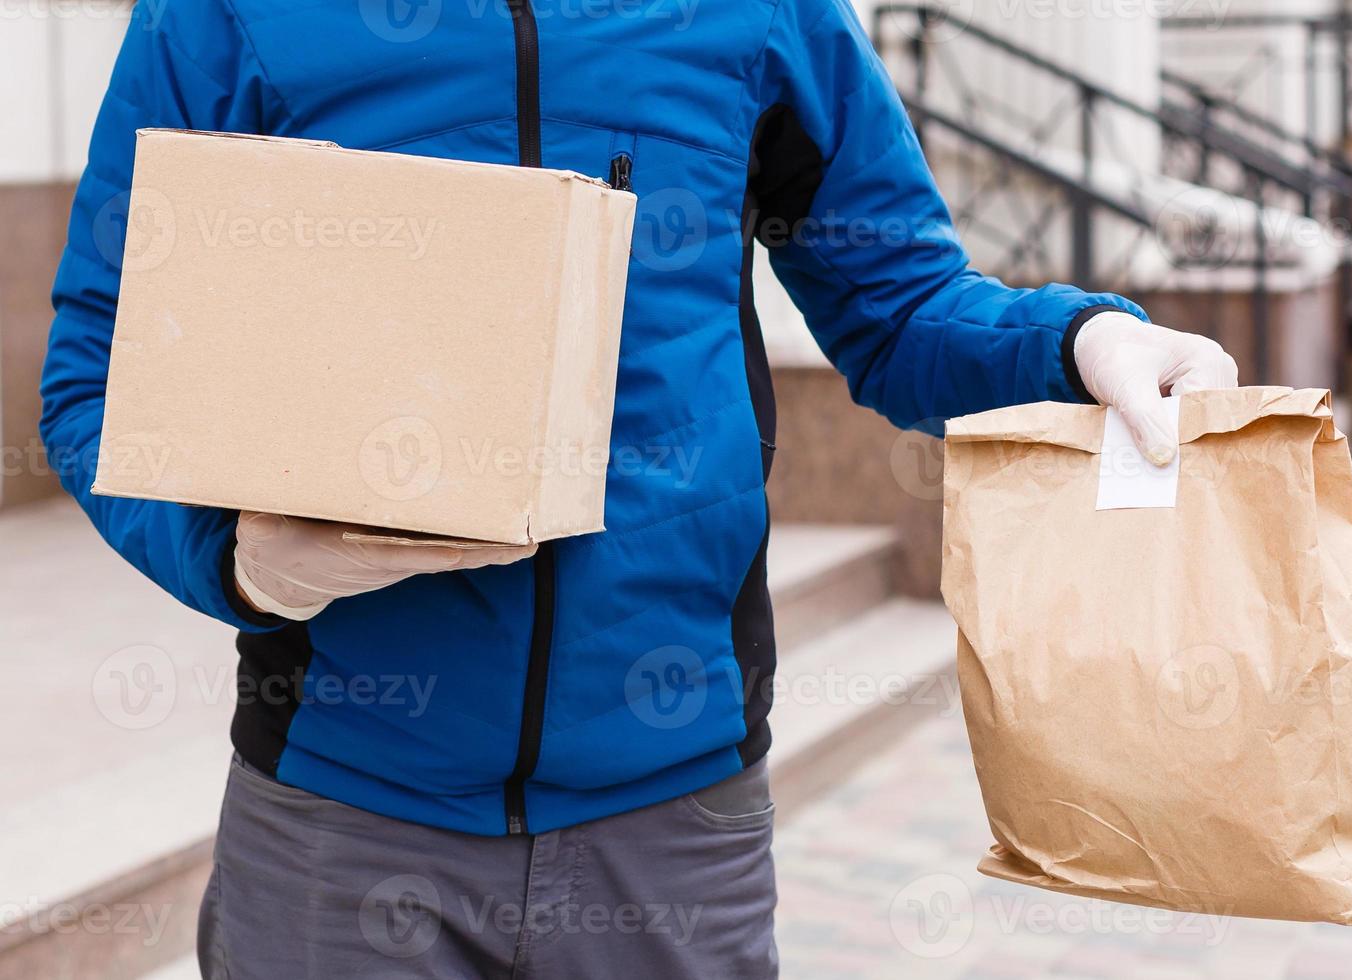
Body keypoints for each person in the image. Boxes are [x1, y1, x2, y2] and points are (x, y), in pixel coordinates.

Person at [39, 0, 1237, 974]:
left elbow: (899, 304)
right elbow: (100, 368)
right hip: (342, 812)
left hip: (671, 815)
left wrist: (1077, 341)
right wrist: (234, 555)